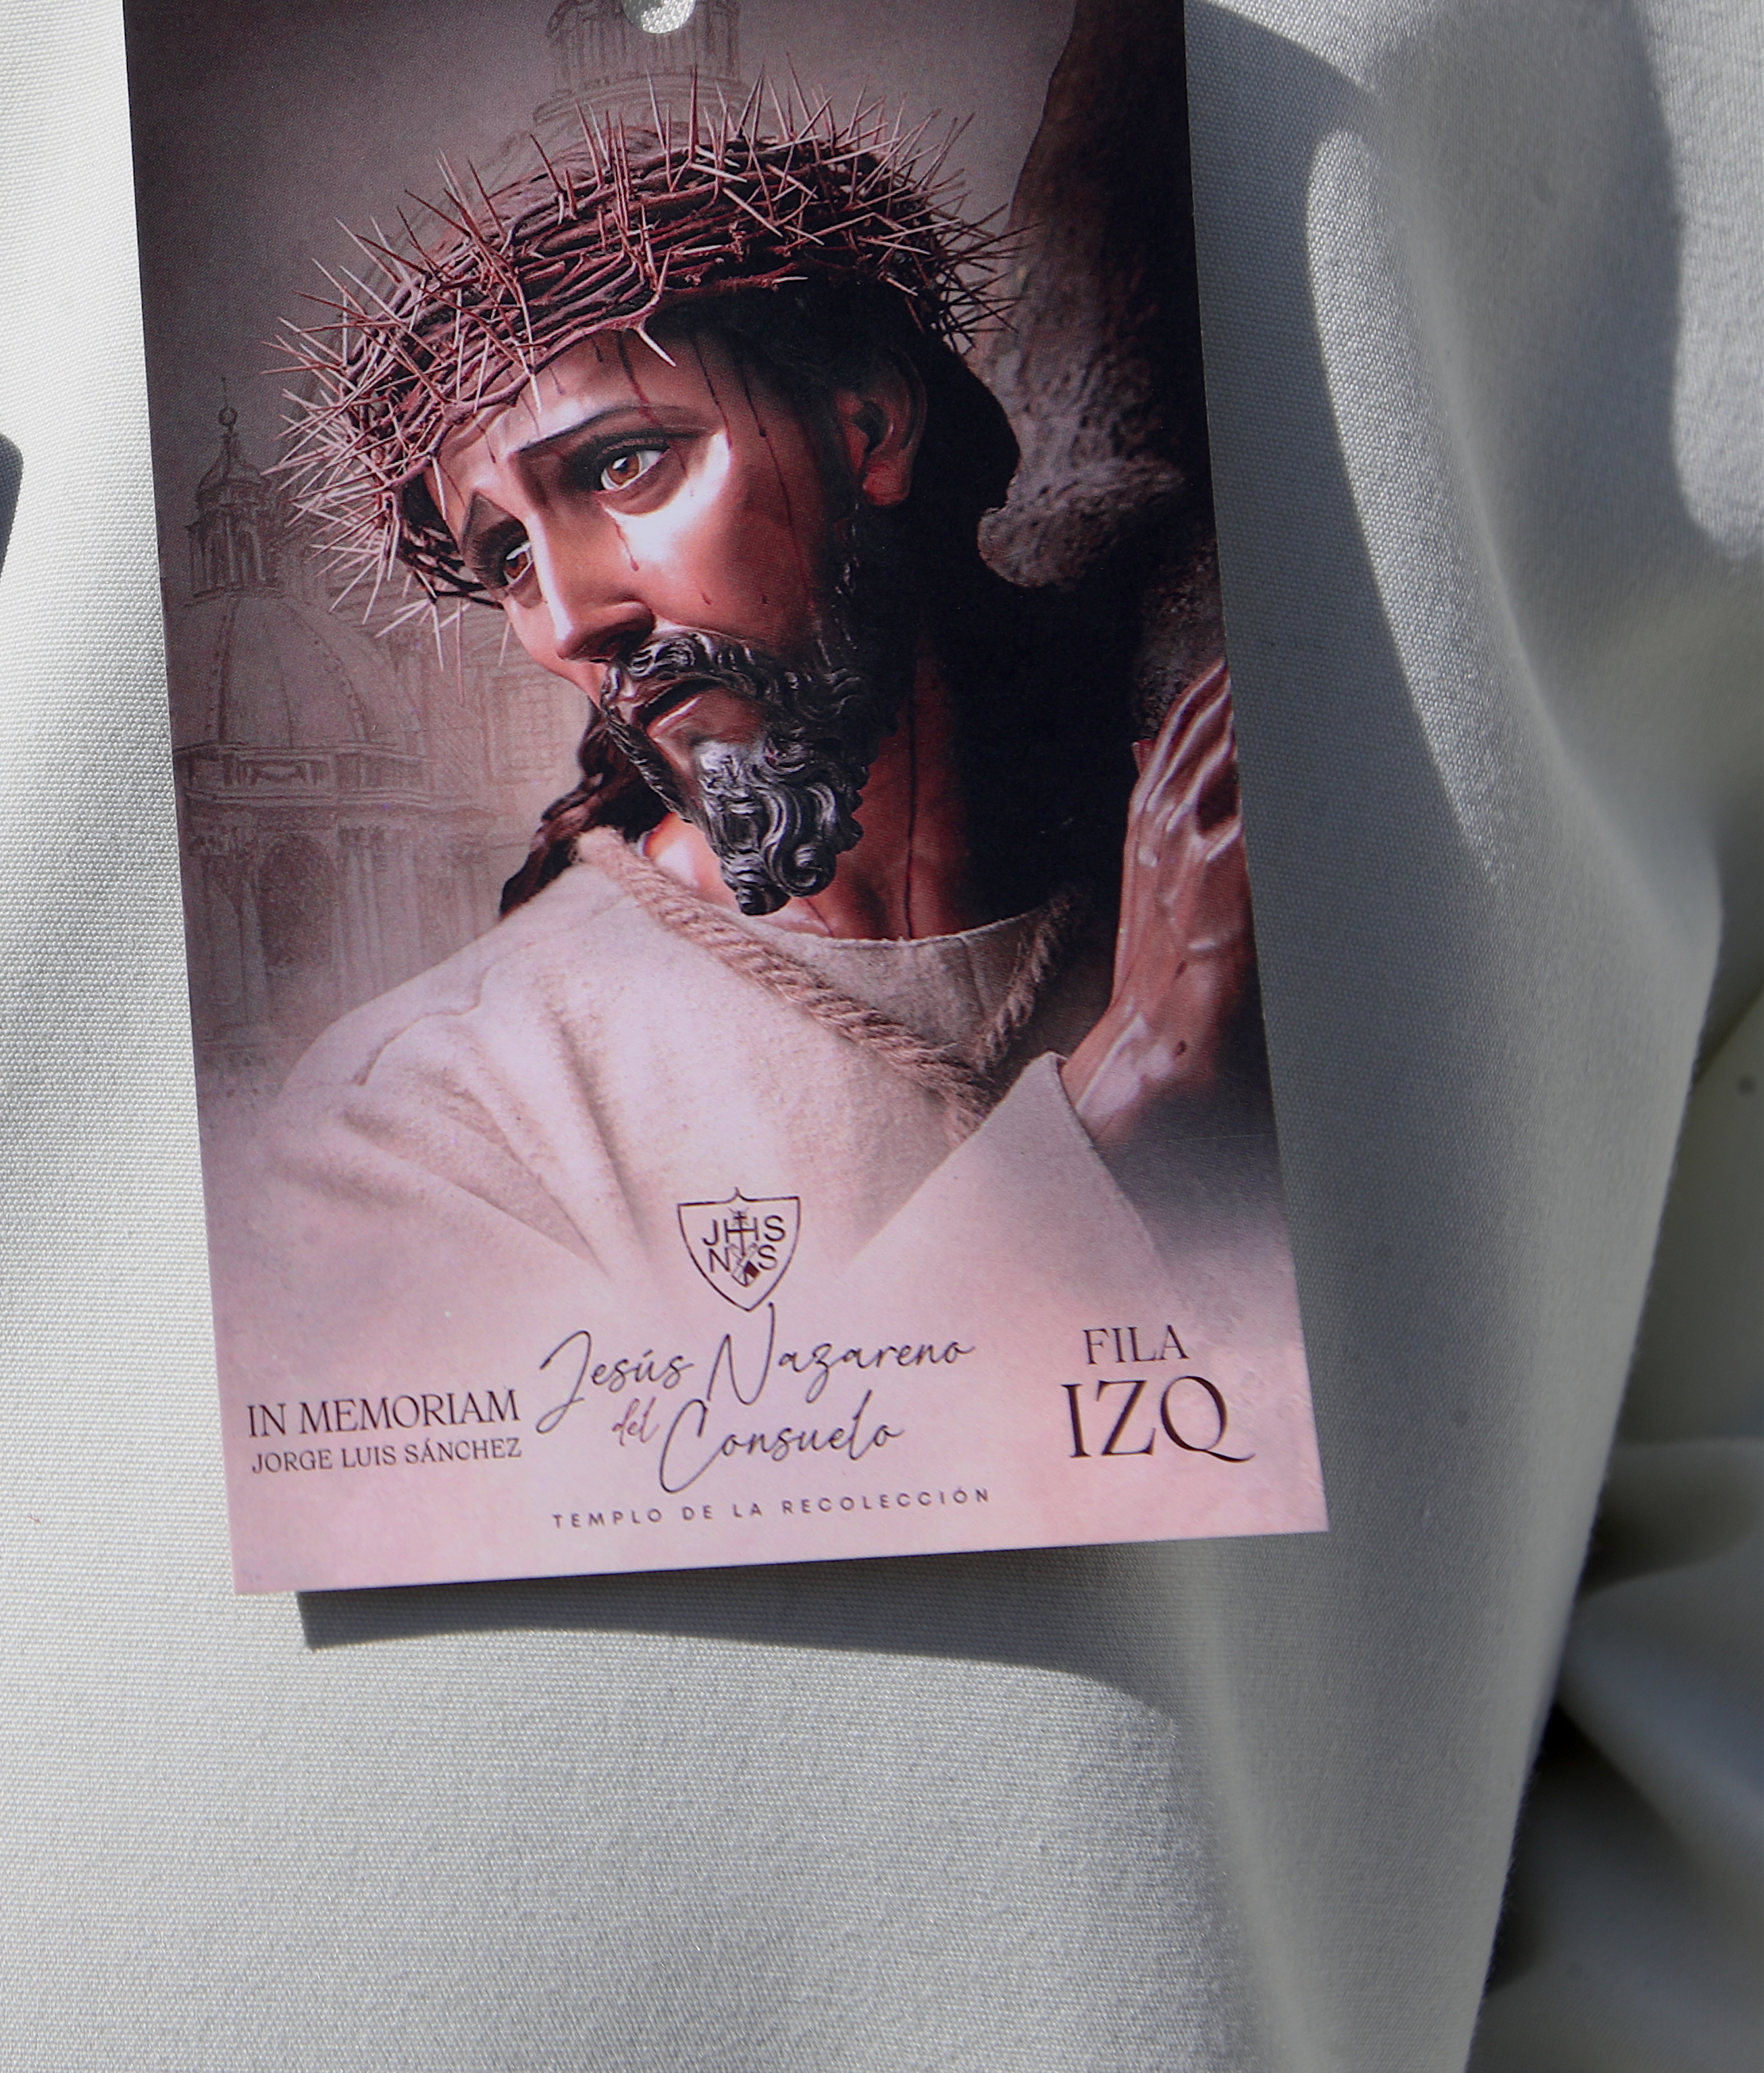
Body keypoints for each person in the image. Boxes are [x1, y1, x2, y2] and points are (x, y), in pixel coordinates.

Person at [220, 116, 1301, 1583]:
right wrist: (1131, 1090)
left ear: (869, 422)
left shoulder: (1208, 849)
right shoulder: (416, 1120)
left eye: (620, 467)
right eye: (508, 558)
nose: (571, 617)